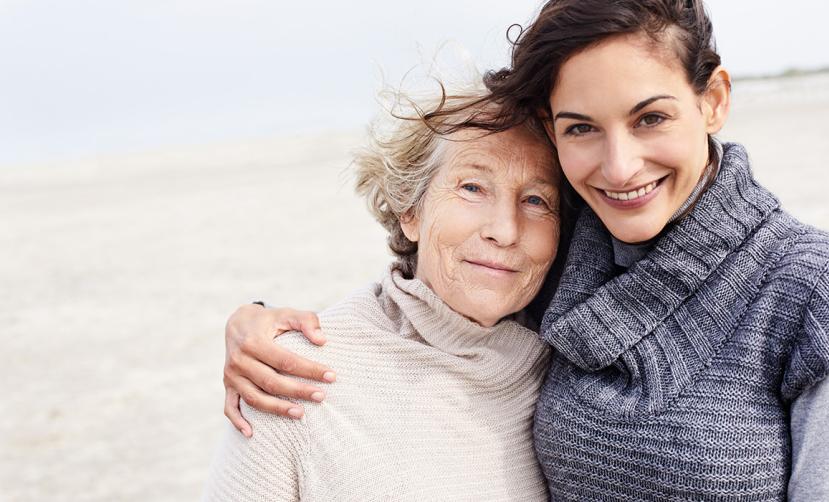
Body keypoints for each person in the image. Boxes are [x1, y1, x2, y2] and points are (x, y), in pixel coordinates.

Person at [221, 1, 829, 500]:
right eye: (581, 128)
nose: (620, 164)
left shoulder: (819, 289)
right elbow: (437, 302)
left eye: (650, 118)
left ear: (714, 100)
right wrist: (257, 320)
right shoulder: (575, 254)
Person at [205, 91, 568, 500]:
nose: (505, 230)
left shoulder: (569, 373)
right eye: (472, 188)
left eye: (536, 200)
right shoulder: (289, 373)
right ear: (409, 210)